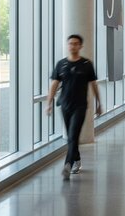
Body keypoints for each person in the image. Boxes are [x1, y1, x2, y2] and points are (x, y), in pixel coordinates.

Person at [47, 35, 102, 180]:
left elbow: (93, 84)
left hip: (80, 106)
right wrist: (49, 103)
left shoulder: (86, 64)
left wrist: (99, 103)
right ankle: (76, 159)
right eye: (70, 44)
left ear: (80, 46)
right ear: (67, 45)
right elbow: (54, 84)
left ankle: (67, 165)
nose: (73, 46)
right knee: (72, 138)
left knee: (72, 135)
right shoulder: (61, 64)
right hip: (65, 105)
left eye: (76, 44)